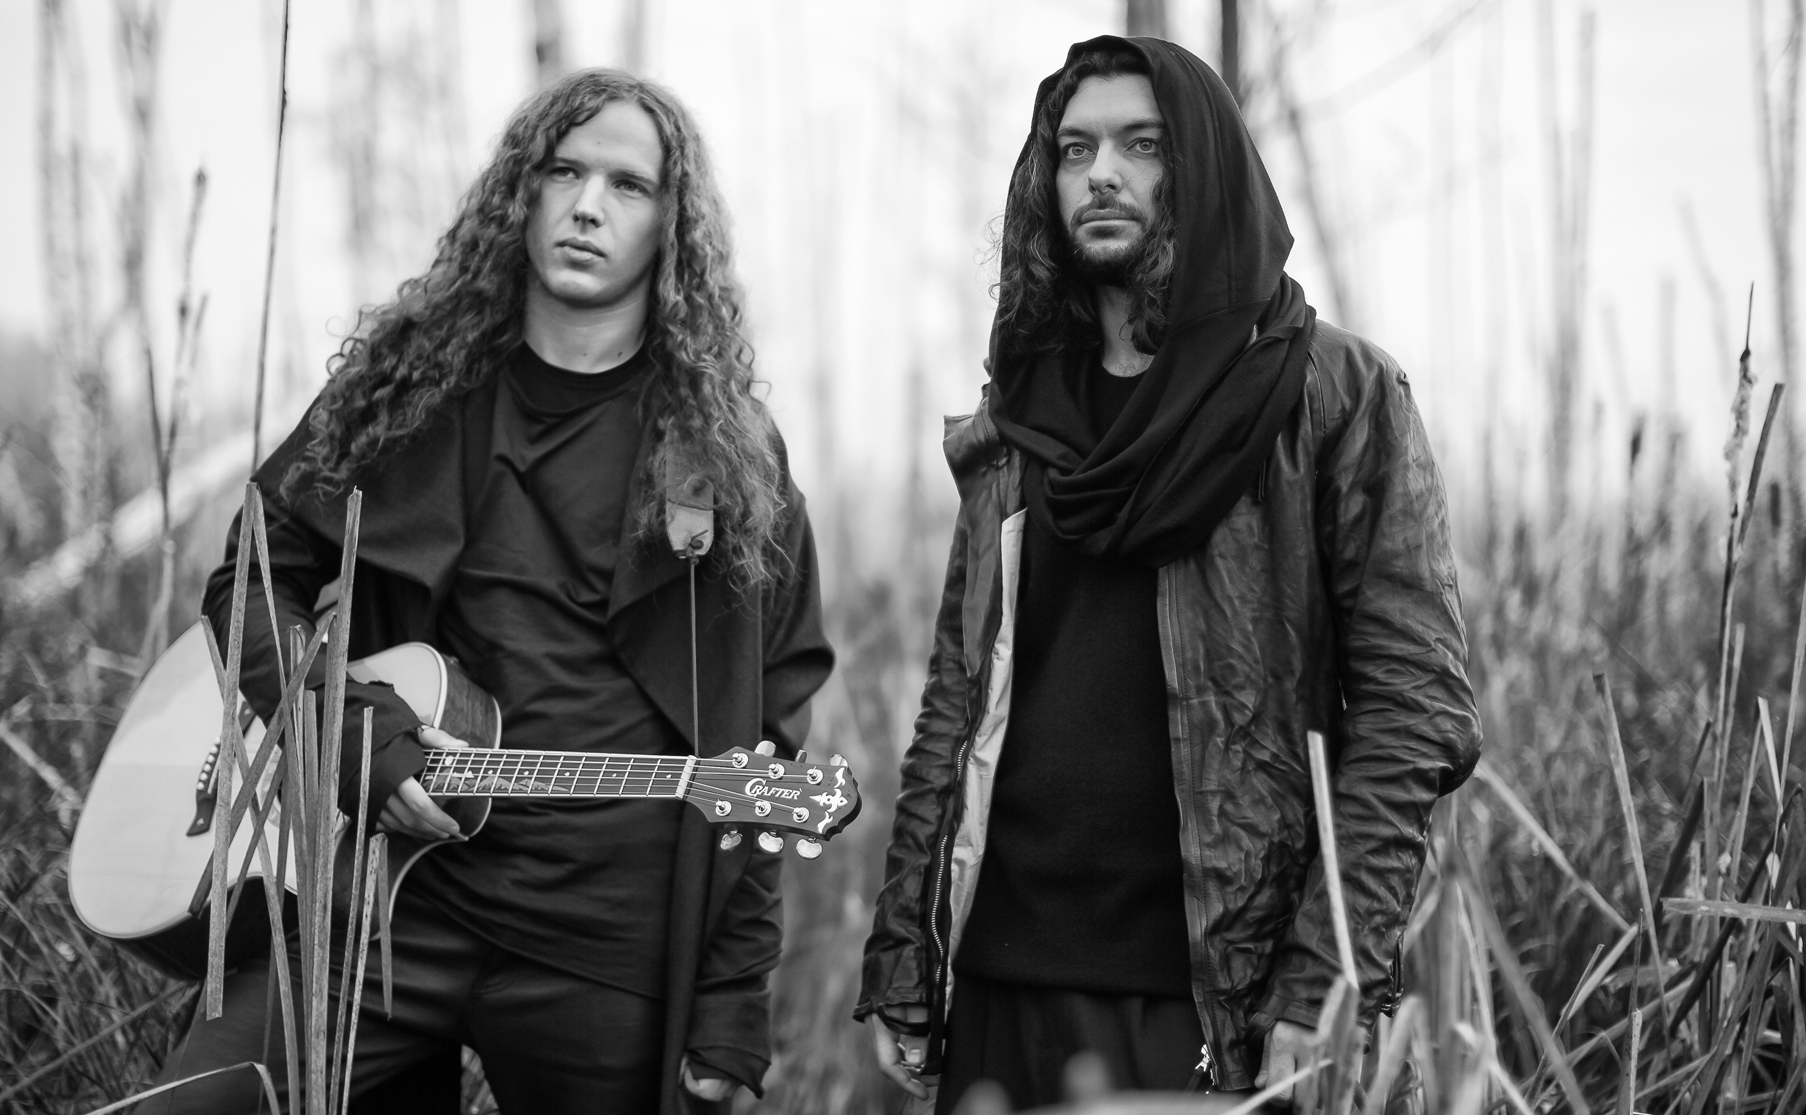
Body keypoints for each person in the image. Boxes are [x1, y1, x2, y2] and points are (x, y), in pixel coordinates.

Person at [142, 69, 833, 1115]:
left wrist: (731, 997)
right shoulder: (409, 386)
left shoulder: (724, 454)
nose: (587, 204)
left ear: (671, 228)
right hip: (378, 900)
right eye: (563, 170)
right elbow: (249, 581)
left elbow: (765, 734)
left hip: (605, 938)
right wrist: (347, 729)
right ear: (522, 193)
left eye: (628, 185)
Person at [855, 35, 1480, 1114]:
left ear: (1200, 169)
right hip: (1001, 976)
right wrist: (903, 956)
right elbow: (955, 702)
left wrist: (1324, 976)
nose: (1099, 173)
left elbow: (1414, 707)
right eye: (1073, 149)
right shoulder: (1017, 417)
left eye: (1139, 146)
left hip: (1209, 994)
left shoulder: (1329, 392)